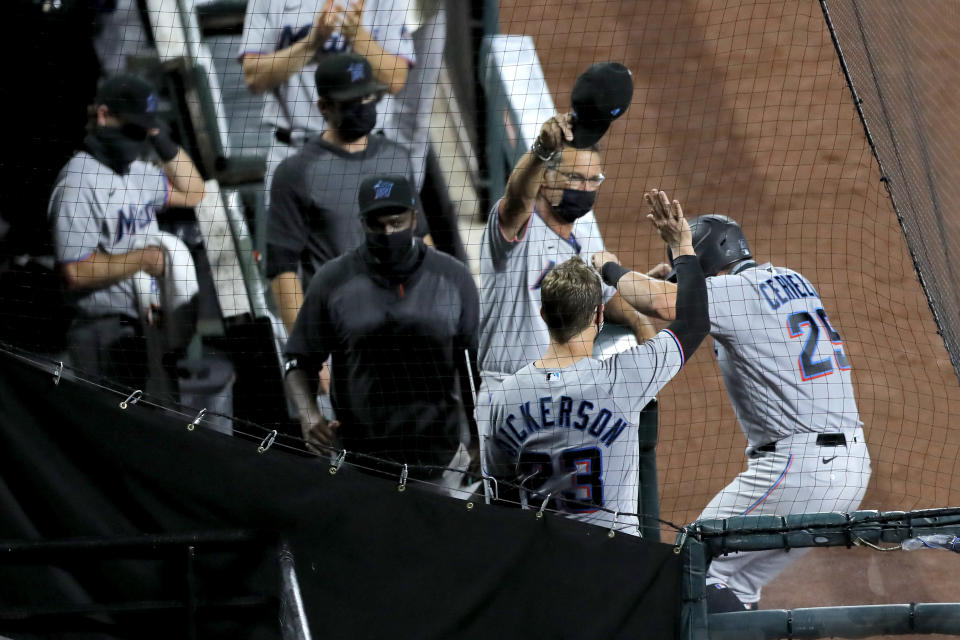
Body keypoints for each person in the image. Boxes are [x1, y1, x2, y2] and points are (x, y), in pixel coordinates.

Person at [591, 202, 872, 609]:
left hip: (799, 472)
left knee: (693, 558)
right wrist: (662, 282)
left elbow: (667, 305)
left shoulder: (733, 292)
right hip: (850, 468)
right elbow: (674, 296)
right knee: (733, 583)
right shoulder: (791, 279)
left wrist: (611, 271)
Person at [481, 189, 709, 533]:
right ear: (600, 315)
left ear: (543, 314)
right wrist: (681, 246)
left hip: (544, 559)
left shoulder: (505, 396)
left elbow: (499, 500)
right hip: (613, 563)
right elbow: (694, 321)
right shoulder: (625, 378)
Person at [283, 174, 478, 483]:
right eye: (377, 224)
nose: (388, 232)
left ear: (414, 218)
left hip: (440, 460)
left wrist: (481, 442)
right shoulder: (332, 281)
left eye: (396, 222)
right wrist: (309, 415)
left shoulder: (454, 278)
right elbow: (298, 360)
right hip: (360, 463)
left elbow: (475, 368)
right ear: (362, 223)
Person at [479, 63, 658, 392]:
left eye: (593, 180)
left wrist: (637, 317)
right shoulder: (519, 231)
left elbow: (608, 296)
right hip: (510, 388)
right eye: (575, 178)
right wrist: (541, 152)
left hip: (567, 395)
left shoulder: (585, 243)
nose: (585, 188)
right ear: (546, 180)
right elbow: (517, 198)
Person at [50, 74, 206, 388]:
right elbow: (75, 271)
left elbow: (194, 191)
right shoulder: (77, 183)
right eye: (132, 128)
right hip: (104, 330)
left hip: (148, 323)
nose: (139, 139)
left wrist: (160, 137)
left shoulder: (137, 171)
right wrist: (143, 260)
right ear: (104, 116)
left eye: (143, 130)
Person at [266, 53, 432, 334]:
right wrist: (307, 354)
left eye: (367, 98)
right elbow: (283, 271)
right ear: (324, 107)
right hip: (341, 332)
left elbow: (422, 242)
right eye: (351, 101)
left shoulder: (397, 159)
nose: (362, 106)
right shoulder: (295, 173)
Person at [237, 0, 415, 207]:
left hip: (367, 151)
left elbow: (395, 79)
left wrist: (357, 36)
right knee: (287, 238)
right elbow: (254, 78)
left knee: (383, 234)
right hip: (296, 152)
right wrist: (312, 42)